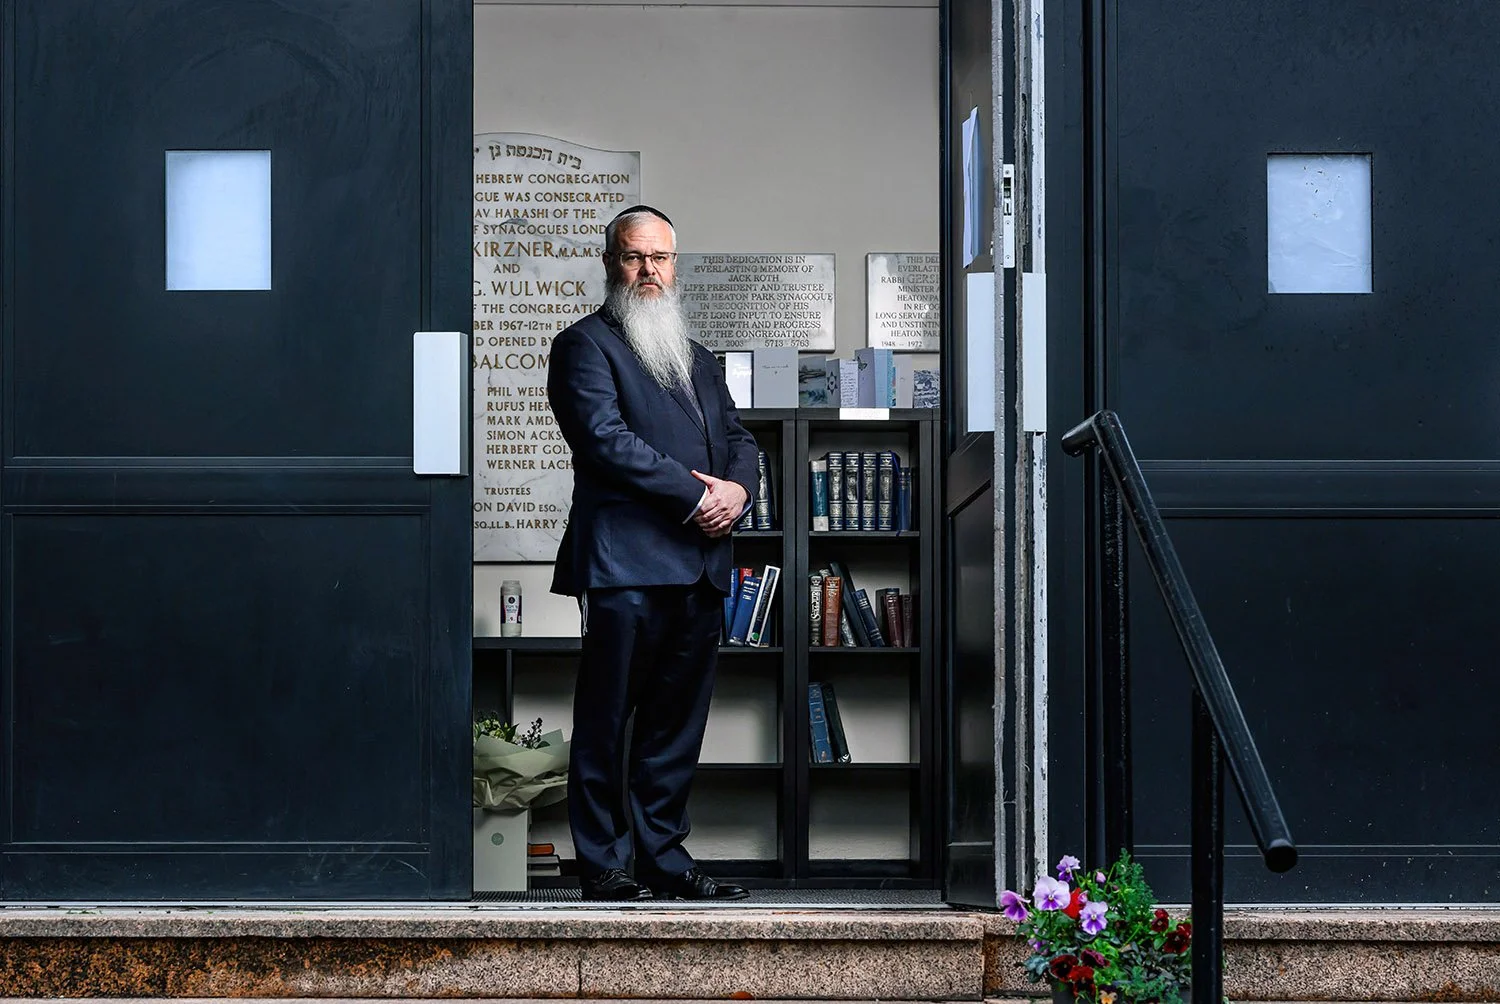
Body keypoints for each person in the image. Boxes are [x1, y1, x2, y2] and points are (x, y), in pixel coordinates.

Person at [546, 205, 758, 901]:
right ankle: (604, 864)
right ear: (612, 262)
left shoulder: (698, 359)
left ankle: (664, 859)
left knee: (675, 726)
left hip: (699, 567)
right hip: (626, 563)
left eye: (660, 258)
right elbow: (605, 440)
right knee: (607, 721)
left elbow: (741, 440)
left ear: (675, 264)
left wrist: (738, 492)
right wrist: (697, 499)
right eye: (635, 257)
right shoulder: (584, 345)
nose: (648, 271)